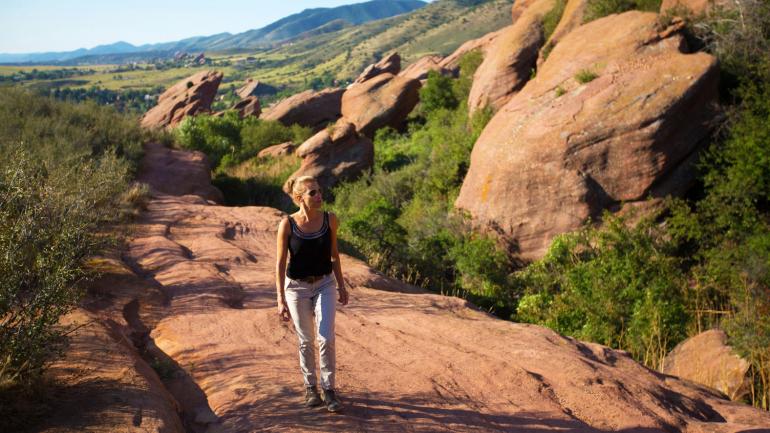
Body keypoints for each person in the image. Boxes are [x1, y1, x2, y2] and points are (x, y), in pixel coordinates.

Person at [275, 175, 349, 413]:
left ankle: (329, 390)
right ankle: (310, 388)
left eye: (319, 191)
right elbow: (279, 263)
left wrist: (341, 285)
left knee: (325, 337)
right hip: (296, 288)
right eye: (312, 193)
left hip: (325, 284)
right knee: (306, 340)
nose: (319, 196)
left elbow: (334, 254)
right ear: (299, 198)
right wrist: (280, 298)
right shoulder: (287, 224)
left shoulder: (330, 220)